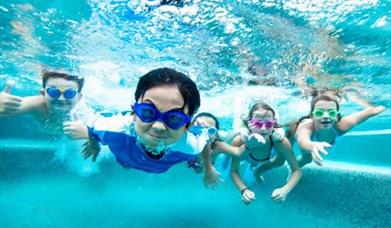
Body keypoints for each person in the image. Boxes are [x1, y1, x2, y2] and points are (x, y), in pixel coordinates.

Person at [63, 68, 221, 188]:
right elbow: (92, 127)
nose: (158, 127)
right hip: (124, 158)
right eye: (147, 112)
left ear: (187, 125)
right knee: (123, 163)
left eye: (174, 118)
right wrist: (93, 143)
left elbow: (205, 140)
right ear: (133, 113)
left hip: (158, 167)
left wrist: (209, 168)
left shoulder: (191, 146)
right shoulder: (113, 129)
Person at [230, 101, 302, 204]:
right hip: (245, 156)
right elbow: (234, 171)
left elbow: (297, 170)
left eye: (269, 124)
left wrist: (285, 190)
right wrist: (244, 190)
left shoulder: (280, 142)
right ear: (250, 124)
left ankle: (256, 171)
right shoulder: (239, 141)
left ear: (274, 124)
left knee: (279, 162)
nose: (263, 129)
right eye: (258, 124)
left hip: (264, 160)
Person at [287, 94, 385, 167]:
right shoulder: (307, 126)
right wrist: (312, 145)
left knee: (307, 159)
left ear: (337, 116)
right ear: (312, 115)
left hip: (317, 144)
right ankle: (293, 171)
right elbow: (303, 142)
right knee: (306, 159)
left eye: (332, 113)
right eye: (319, 112)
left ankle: (293, 170)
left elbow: (372, 110)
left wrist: (383, 106)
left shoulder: (342, 125)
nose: (326, 116)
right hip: (296, 135)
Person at [0, 71, 85, 133]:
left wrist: (87, 135)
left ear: (79, 97)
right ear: (43, 94)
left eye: (69, 93)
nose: (61, 98)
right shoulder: (35, 104)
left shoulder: (83, 114)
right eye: (53, 91)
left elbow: (97, 136)